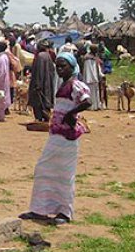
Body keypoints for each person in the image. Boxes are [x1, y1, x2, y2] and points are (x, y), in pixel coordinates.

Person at [20, 52, 91, 226]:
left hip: (67, 137)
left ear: (72, 67)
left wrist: (71, 114)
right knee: (44, 169)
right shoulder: (63, 84)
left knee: (65, 174)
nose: (59, 69)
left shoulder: (75, 84)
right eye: (57, 66)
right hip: (56, 134)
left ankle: (64, 212)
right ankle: (40, 209)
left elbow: (87, 101)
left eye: (63, 66)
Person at [29, 41, 55, 122]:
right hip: (47, 83)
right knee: (45, 101)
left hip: (40, 83)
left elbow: (39, 72)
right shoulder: (48, 55)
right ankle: (45, 117)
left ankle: (39, 118)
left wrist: (38, 84)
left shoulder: (40, 56)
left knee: (38, 101)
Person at [82, 44, 103, 110]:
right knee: (90, 93)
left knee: (96, 92)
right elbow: (90, 70)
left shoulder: (94, 58)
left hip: (94, 78)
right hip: (90, 78)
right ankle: (91, 106)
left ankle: (97, 106)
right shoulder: (88, 59)